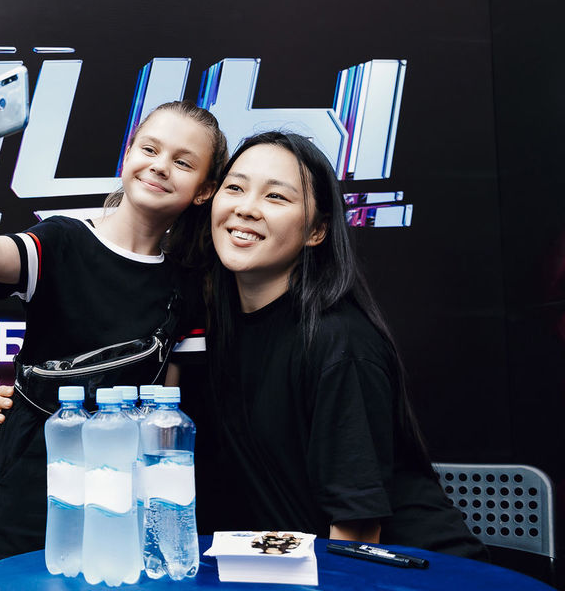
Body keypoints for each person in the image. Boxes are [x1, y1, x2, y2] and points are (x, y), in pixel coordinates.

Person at [0, 86, 228, 577]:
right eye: (149, 149)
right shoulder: (64, 238)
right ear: (128, 154)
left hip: (122, 498)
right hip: (31, 477)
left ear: (205, 190)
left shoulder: (188, 285)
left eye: (183, 162)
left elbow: (168, 408)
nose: (160, 166)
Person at [201, 131, 485, 558]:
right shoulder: (223, 329)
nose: (246, 208)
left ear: (317, 230)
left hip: (416, 574)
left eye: (276, 197)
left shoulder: (339, 342)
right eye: (235, 188)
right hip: (304, 570)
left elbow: (357, 528)